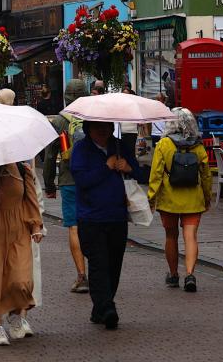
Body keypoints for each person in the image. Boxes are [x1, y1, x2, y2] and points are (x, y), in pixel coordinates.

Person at [70, 120, 140, 330]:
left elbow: (139, 172)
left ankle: (99, 308)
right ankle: (107, 308)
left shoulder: (120, 147)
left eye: (106, 127)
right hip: (91, 218)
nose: (103, 131)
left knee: (114, 265)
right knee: (99, 264)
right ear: (88, 129)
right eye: (97, 127)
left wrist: (128, 167)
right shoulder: (81, 150)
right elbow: (82, 180)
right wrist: (105, 167)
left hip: (117, 216)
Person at [0, 156, 43, 346]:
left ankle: (14, 313)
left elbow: (31, 200)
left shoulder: (22, 169)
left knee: (22, 279)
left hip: (18, 227)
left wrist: (36, 225)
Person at [147, 108, 211, 292]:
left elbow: (156, 174)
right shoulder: (197, 146)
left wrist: (152, 197)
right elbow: (206, 175)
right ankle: (190, 274)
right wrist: (207, 197)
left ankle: (173, 274)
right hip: (193, 199)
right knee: (190, 237)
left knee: (171, 236)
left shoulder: (164, 144)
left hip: (169, 200)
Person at [42, 78, 89, 293]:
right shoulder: (95, 116)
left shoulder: (60, 121)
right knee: (95, 225)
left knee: (74, 226)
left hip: (69, 179)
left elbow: (50, 156)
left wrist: (49, 185)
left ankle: (81, 275)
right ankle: (99, 271)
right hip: (94, 179)